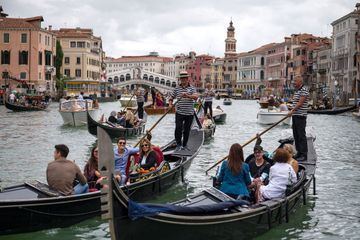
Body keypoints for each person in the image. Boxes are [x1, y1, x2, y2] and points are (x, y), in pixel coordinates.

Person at [169, 71, 198, 151]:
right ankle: (178, 144)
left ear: (187, 79)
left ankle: (184, 145)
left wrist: (187, 95)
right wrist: (170, 104)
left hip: (189, 113)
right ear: (180, 79)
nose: (183, 80)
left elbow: (196, 97)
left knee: (187, 130)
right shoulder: (177, 89)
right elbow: (171, 98)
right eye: (182, 78)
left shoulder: (192, 88)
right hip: (179, 112)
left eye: (184, 78)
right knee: (178, 128)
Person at [287, 76, 309, 162]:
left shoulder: (304, 90)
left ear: (300, 81)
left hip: (301, 116)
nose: (294, 83)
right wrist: (292, 111)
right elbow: (296, 102)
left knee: (301, 135)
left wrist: (292, 110)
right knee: (296, 135)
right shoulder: (297, 91)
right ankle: (299, 152)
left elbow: (300, 103)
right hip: (295, 115)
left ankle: (304, 154)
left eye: (295, 82)